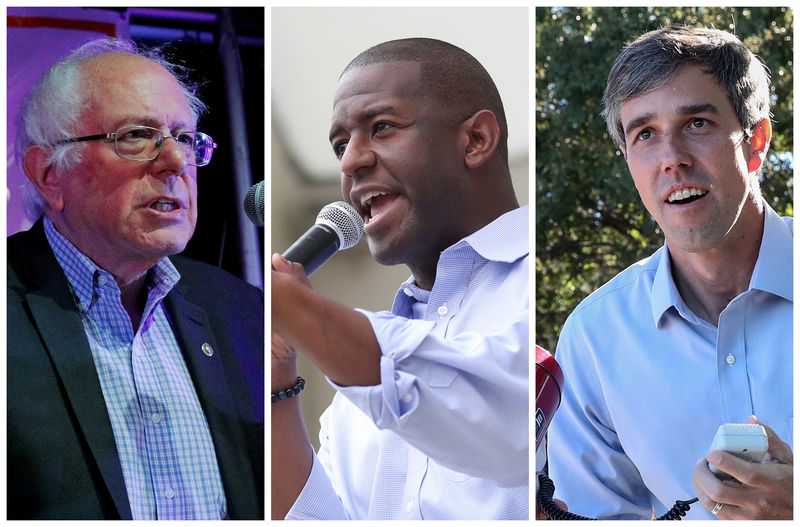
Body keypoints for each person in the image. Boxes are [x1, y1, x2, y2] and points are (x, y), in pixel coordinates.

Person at [271, 37, 528, 520]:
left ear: (475, 140)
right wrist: (278, 388)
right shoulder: (352, 393)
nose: (349, 162)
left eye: (381, 127)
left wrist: (302, 314)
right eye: (341, 144)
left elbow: (508, 425)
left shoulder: (538, 288)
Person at [7, 38, 264, 520]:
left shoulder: (243, 312)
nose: (174, 163)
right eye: (135, 136)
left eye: (185, 138)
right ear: (47, 175)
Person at [545, 26, 792, 520]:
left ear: (756, 140)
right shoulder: (595, 338)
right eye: (645, 135)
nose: (672, 159)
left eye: (697, 123)